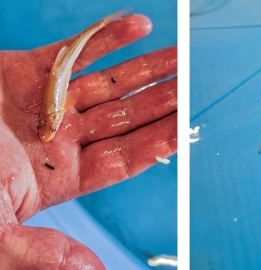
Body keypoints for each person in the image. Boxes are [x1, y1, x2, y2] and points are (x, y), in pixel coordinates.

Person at [0, 13, 177, 269]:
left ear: (53, 118)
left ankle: (100, 25)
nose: (46, 134)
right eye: (46, 128)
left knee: (68, 59)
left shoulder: (54, 113)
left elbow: (69, 97)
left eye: (48, 127)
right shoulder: (51, 117)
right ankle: (100, 25)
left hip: (63, 67)